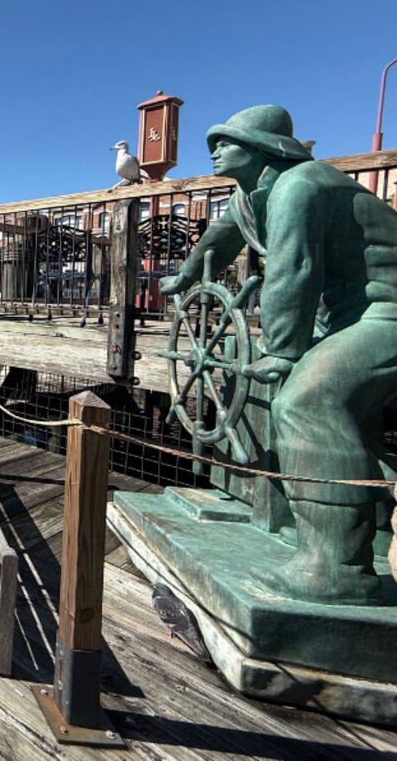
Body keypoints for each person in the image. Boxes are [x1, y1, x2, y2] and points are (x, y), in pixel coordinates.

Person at [160, 105, 397, 604]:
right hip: (348, 312)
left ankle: (337, 569)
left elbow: (295, 269)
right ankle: (371, 527)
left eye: (227, 141)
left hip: (387, 309)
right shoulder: (251, 196)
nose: (215, 150)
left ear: (265, 147)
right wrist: (185, 277)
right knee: (349, 409)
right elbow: (219, 240)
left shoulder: (300, 184)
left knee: (309, 401)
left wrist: (286, 352)